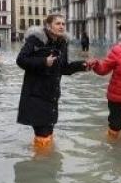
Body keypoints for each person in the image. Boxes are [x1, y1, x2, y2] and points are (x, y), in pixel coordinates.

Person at [16, 14, 91, 150]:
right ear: (48, 26)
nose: (61, 26)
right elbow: (21, 60)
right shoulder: (36, 40)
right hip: (36, 95)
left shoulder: (62, 42)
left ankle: (45, 164)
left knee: (47, 134)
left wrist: (83, 66)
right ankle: (42, 165)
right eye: (58, 23)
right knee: (43, 134)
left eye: (63, 23)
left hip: (52, 95)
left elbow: (63, 68)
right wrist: (44, 61)